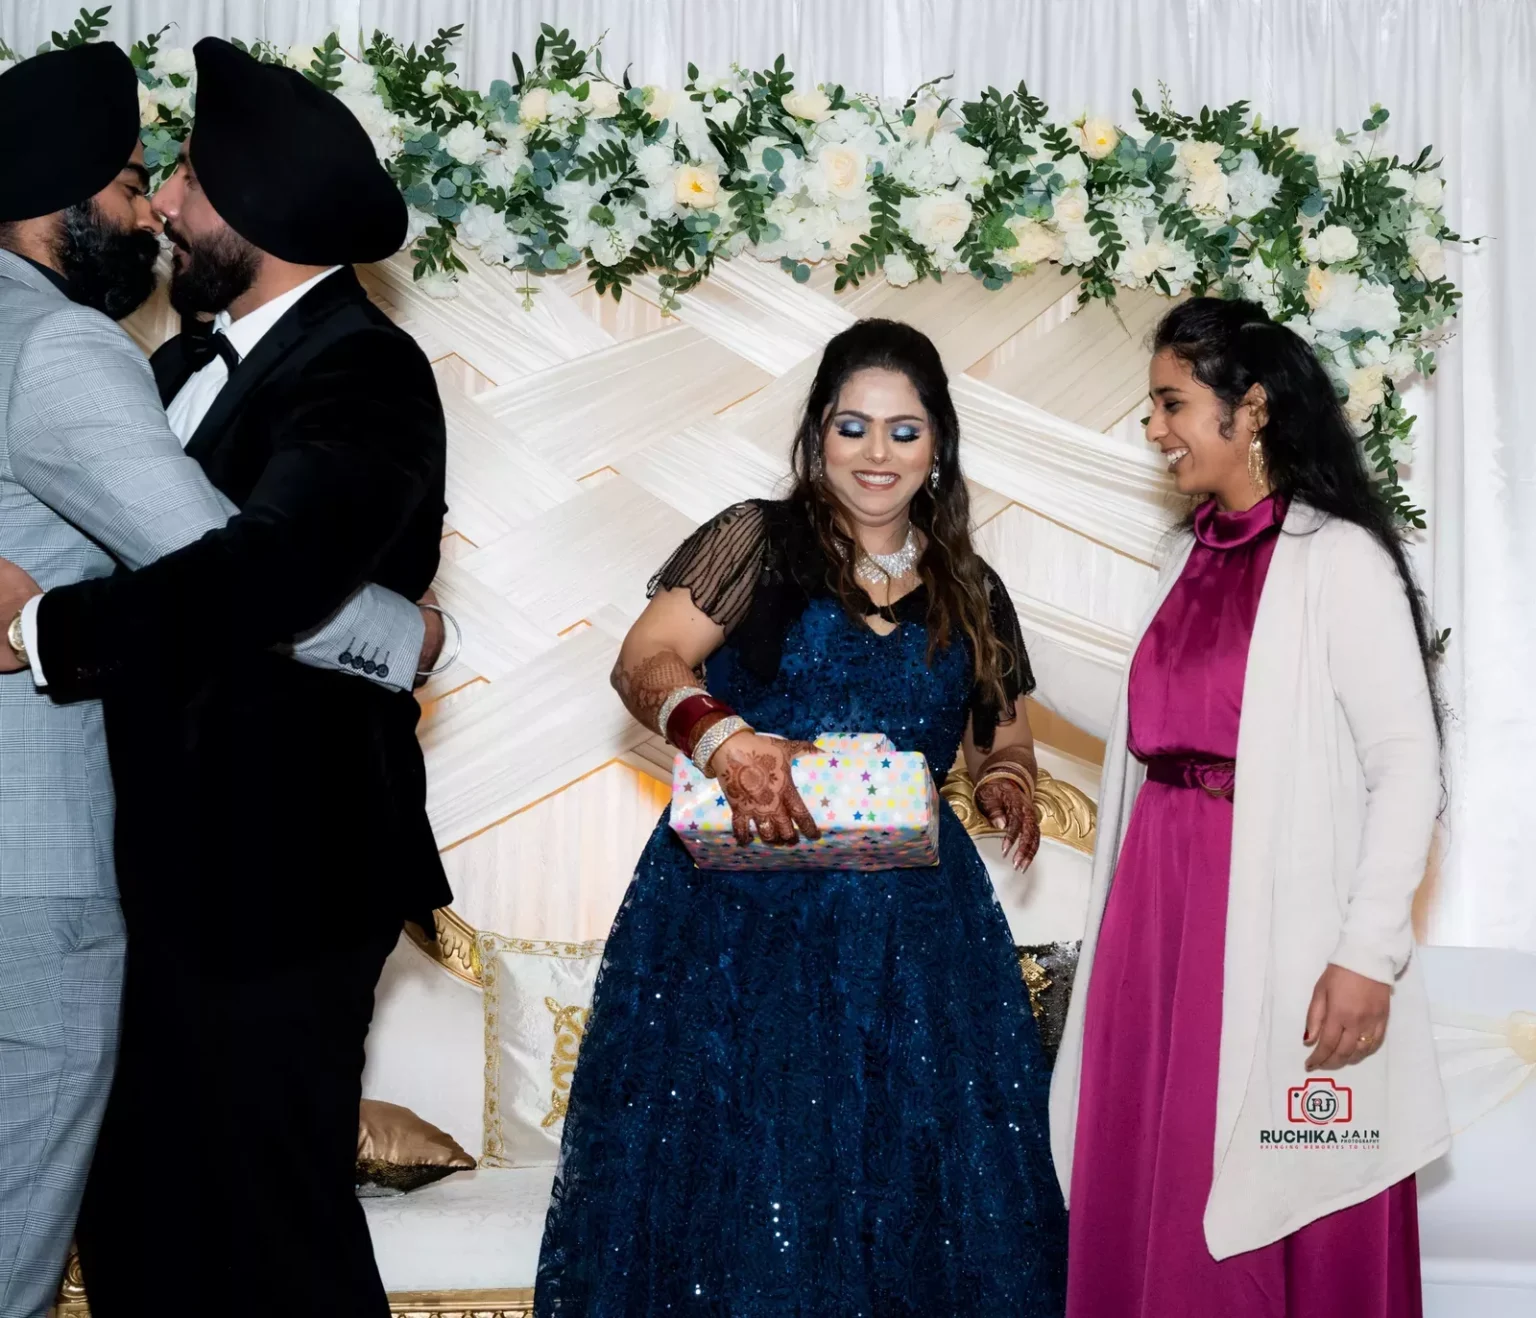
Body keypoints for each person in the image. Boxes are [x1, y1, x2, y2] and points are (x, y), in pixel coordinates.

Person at [0, 38, 452, 1316]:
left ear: (255, 212)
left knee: (272, 1229)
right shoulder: (161, 366)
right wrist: (408, 636)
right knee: (148, 1219)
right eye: (160, 175)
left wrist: (48, 635)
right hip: (179, 874)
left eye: (187, 177)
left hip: (285, 873)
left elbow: (262, 575)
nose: (165, 204)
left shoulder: (366, 367)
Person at [535, 318, 1067, 1316]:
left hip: (918, 942)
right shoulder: (753, 540)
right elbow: (644, 662)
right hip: (740, 934)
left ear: (938, 445)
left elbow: (1005, 733)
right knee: (749, 1181)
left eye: (903, 431)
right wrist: (724, 738)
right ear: (816, 434)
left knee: (921, 1189)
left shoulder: (972, 588)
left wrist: (1007, 780)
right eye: (852, 426)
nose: (877, 454)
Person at [1052, 297, 1449, 1318]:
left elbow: (1408, 763)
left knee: (1295, 1163)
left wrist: (1368, 953)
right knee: (1160, 1168)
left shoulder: (1337, 558)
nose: (1154, 430)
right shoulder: (1179, 557)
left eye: (1172, 403)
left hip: (1282, 918)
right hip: (1159, 911)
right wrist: (999, 653)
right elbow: (1151, 720)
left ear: (1254, 408)